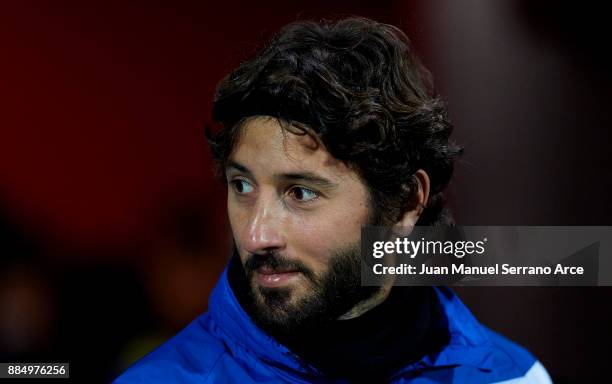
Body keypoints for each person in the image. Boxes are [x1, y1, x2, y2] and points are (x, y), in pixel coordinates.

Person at [114, 17, 552, 383]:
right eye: (242, 187)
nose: (256, 235)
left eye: (301, 193)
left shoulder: (514, 378)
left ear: (405, 203)